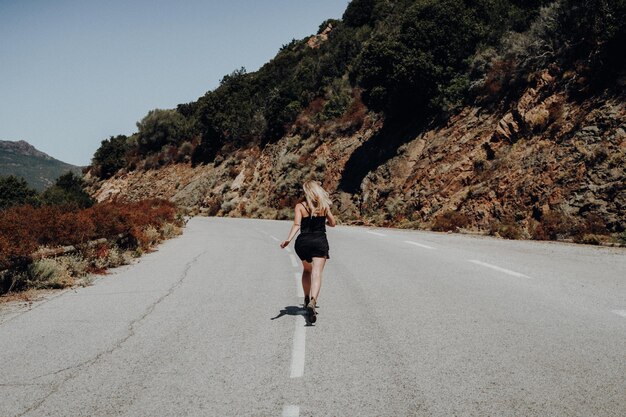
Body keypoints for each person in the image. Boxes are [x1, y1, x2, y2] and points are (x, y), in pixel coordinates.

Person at [280, 180, 336, 323]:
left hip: (303, 242)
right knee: (317, 272)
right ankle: (313, 301)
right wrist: (325, 221)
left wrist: (288, 239)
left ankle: (306, 297)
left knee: (307, 270)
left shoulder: (300, 206)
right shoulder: (324, 205)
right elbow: (333, 223)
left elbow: (297, 224)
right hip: (319, 241)